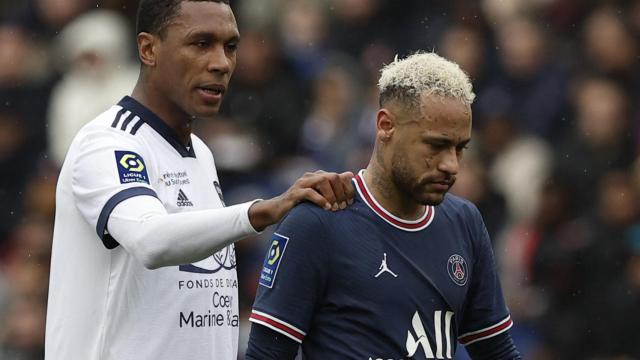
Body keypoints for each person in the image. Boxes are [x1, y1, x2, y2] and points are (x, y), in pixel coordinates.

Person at [44, 1, 354, 359]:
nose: (221, 63)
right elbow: (150, 240)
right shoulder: (108, 142)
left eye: (230, 46)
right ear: (148, 49)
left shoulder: (201, 154)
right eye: (201, 43)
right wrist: (260, 212)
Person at [246, 52, 522, 359]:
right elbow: (266, 355)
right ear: (385, 125)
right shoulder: (317, 223)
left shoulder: (465, 222)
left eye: (460, 148)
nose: (451, 165)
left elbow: (497, 351)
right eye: (436, 145)